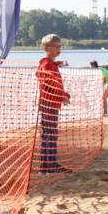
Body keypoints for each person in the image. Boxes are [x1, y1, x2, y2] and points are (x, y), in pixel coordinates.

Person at [36, 34, 71, 174]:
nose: (59, 49)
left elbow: (53, 83)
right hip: (49, 103)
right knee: (50, 134)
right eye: (56, 46)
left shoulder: (49, 63)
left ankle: (45, 166)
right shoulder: (47, 64)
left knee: (48, 134)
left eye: (60, 46)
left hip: (50, 102)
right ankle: (49, 166)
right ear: (46, 48)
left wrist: (63, 94)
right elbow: (50, 84)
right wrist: (63, 96)